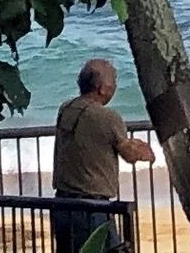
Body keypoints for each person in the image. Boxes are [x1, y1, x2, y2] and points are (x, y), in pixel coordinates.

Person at [50, 57, 155, 253]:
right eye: (113, 81)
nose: (115, 85)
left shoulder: (66, 108)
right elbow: (129, 154)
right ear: (101, 87)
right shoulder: (108, 117)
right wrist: (143, 150)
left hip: (62, 204)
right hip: (92, 207)